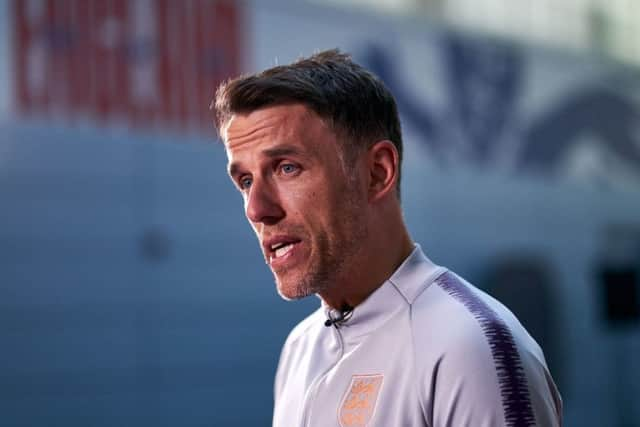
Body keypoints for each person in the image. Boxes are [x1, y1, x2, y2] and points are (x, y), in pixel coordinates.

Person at [213, 49, 562, 427]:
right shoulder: (300, 349)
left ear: (377, 172)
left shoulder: (470, 347)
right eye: (245, 181)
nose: (256, 208)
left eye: (286, 168)